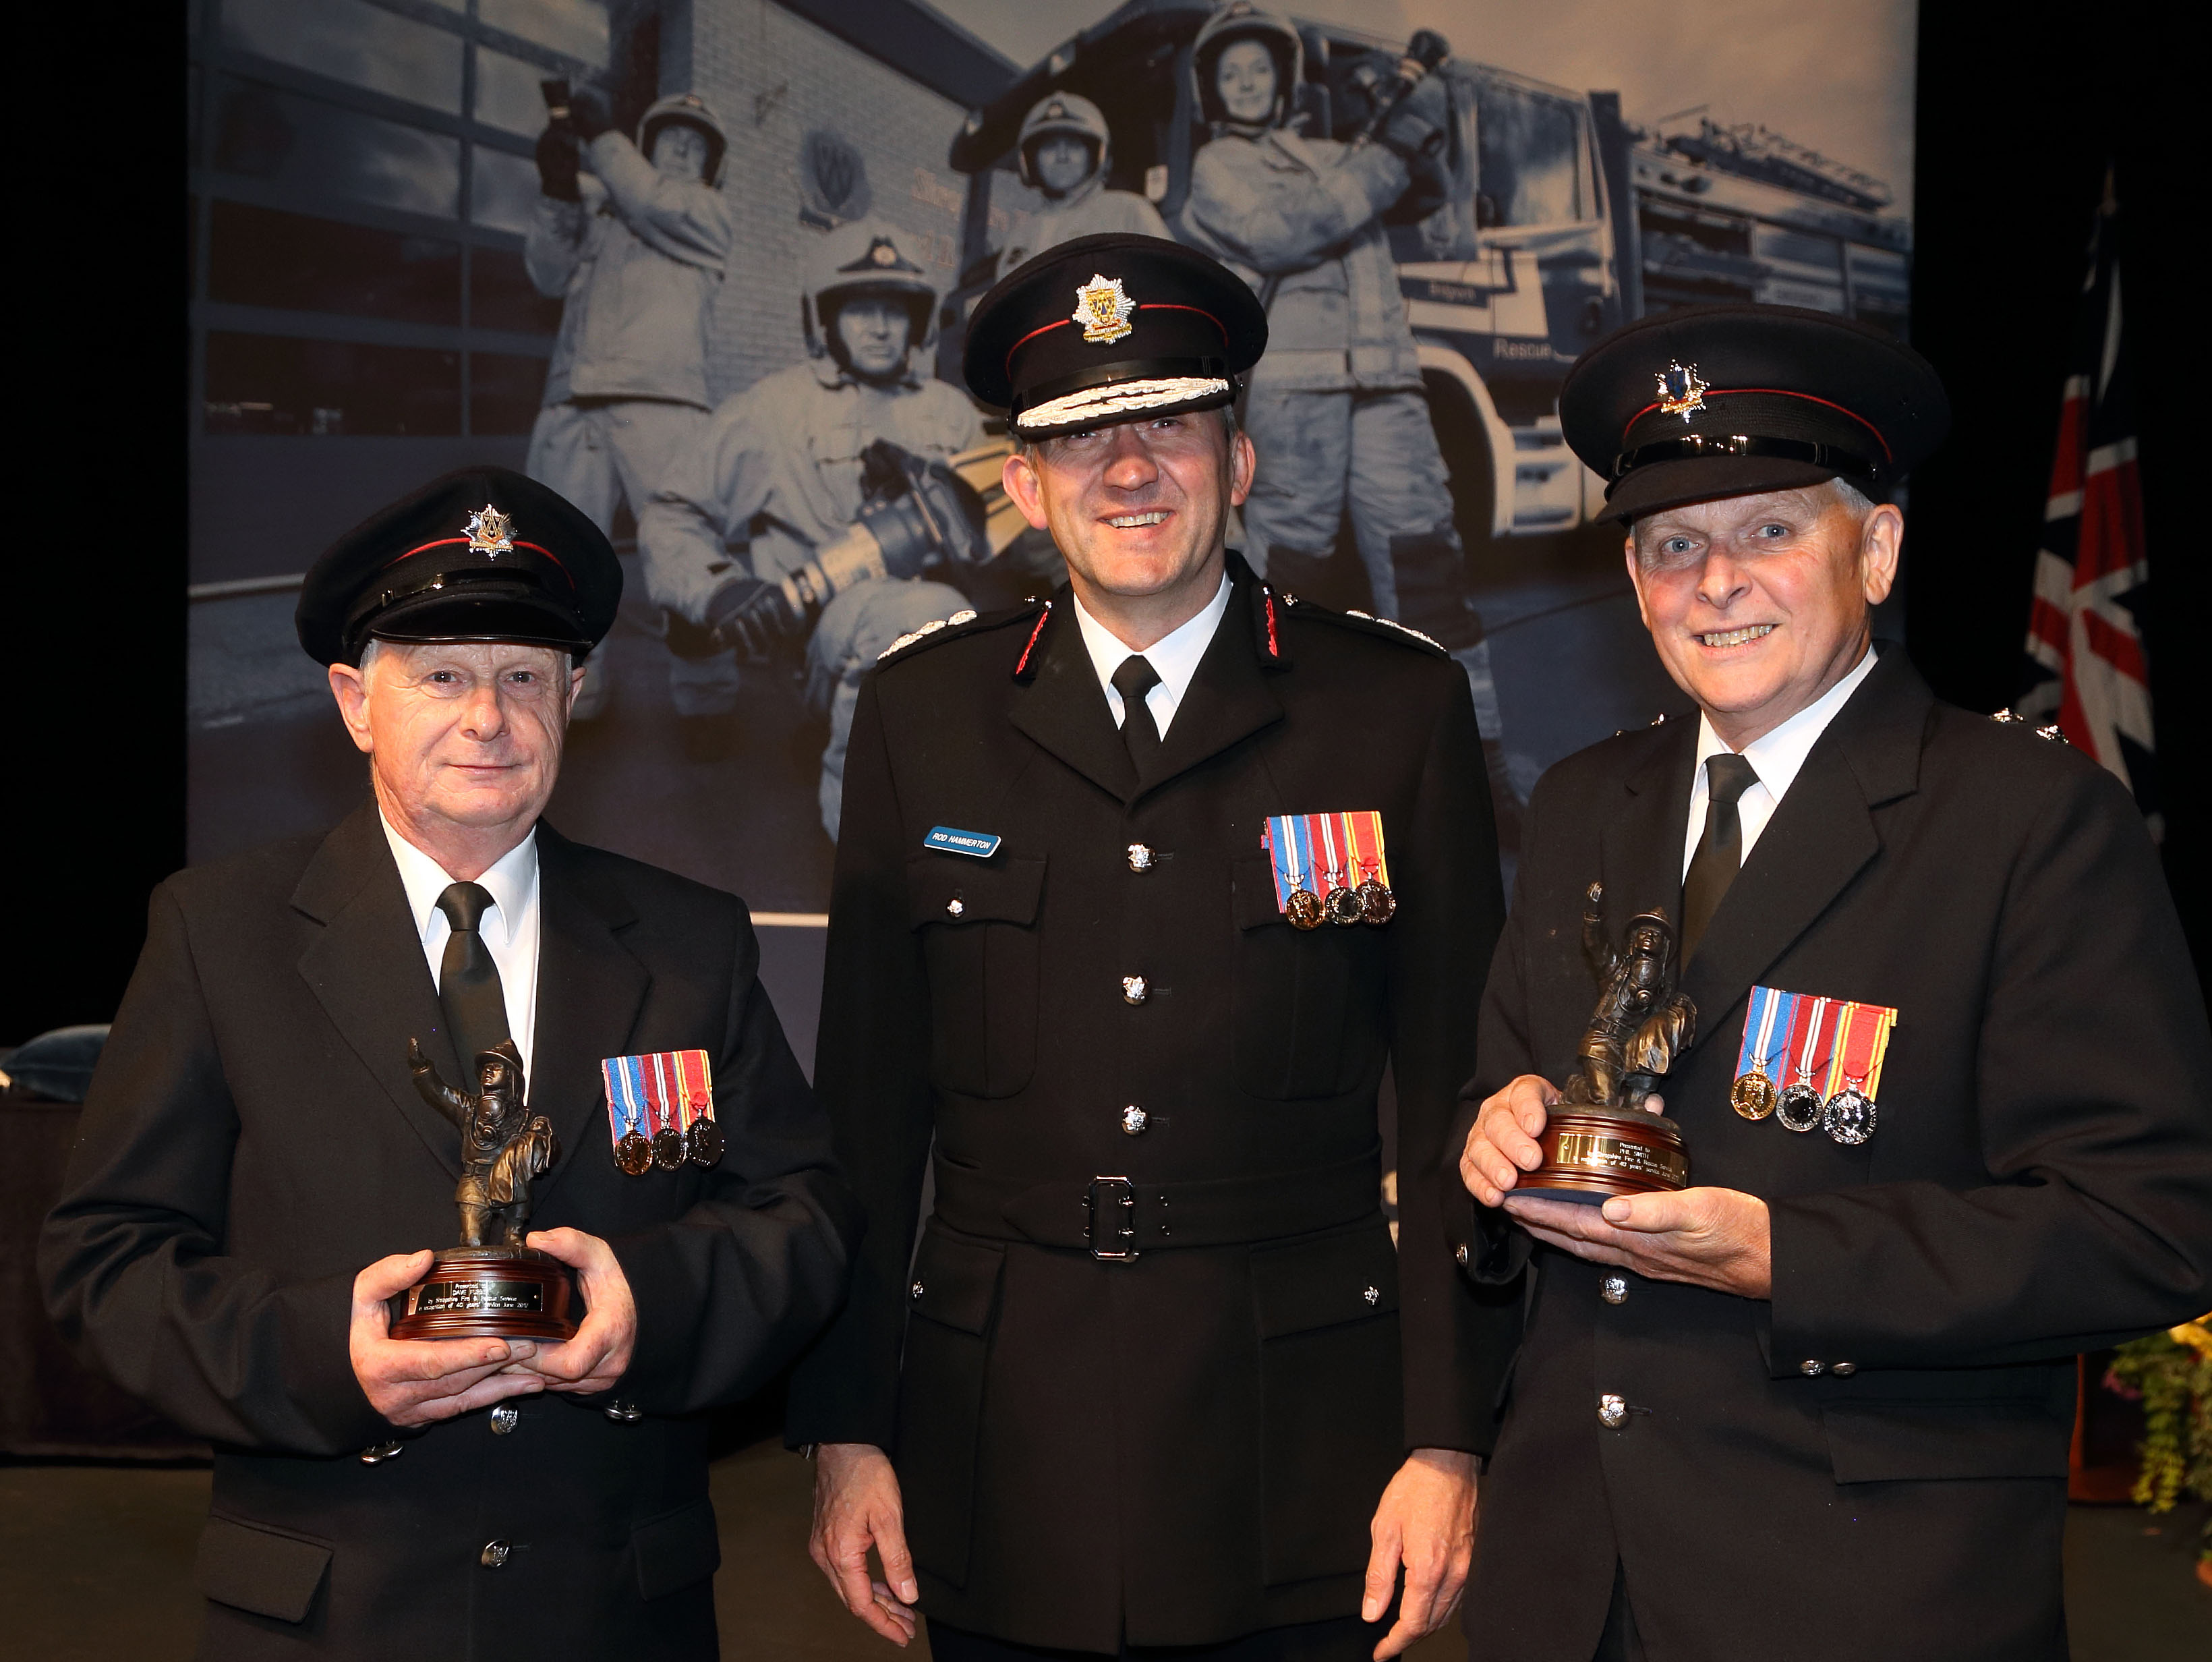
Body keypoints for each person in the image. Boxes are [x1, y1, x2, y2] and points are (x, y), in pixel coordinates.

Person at [787, 232, 1512, 1662]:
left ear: (1237, 463)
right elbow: (865, 1118)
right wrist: (843, 1427)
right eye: (1081, 439)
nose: (1131, 470)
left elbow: (1447, 1108)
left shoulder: (1392, 708)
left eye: (1171, 424)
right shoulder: (921, 716)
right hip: (998, 1444)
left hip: (1300, 1444)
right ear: (1021, 487)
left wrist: (1447, 1434)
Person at [1451, 304, 2212, 1661]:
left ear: (1873, 548)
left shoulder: (2024, 822)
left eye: (1766, 529)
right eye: (1671, 543)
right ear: (1632, 583)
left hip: (1856, 1589)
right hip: (1569, 1578)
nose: (1714, 579)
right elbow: (1511, 1081)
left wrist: (1785, 1256)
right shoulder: (1581, 804)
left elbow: (2146, 1222)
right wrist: (1496, 1132)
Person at [40, 467, 859, 1660]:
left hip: (615, 1608)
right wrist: (326, 1352)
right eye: (442, 674)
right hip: (329, 1612)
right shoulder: (222, 933)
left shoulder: (690, 939)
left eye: (524, 675)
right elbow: (103, 1257)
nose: (489, 716)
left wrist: (650, 1303)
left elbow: (805, 1213)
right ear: (353, 702)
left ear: (574, 696)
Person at [1171, 7, 1488, 706]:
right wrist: (1392, 148)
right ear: (1211, 90)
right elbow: (1286, 231)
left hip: (1388, 383)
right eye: (1232, 73)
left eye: (1260, 68)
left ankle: (1478, 767)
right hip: (1296, 395)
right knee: (1292, 572)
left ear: (1285, 80)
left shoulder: (1335, 152)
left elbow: (1426, 192)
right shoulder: (1218, 165)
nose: (1247, 83)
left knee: (1427, 567)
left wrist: (1422, 119)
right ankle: (1277, 740)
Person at [639, 219, 984, 834]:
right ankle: (865, 850)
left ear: (919, 321)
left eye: (896, 310)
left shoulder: (950, 413)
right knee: (921, 617)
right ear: (824, 321)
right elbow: (673, 512)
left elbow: (1016, 539)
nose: (880, 327)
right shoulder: (775, 410)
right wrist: (720, 589)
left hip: (946, 630)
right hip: (815, 633)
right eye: (860, 309)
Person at [526, 87, 733, 733]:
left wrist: (607, 141)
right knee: (561, 568)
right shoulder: (600, 201)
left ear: (710, 163)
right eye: (670, 134)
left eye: (696, 142)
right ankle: (581, 706)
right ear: (646, 144)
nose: (681, 146)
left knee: (685, 559)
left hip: (663, 406)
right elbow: (545, 274)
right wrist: (558, 191)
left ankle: (707, 703)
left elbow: (653, 201)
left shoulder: (705, 212)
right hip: (573, 405)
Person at [996, 92, 1170, 276]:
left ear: (1097, 155)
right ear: (1030, 161)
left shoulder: (1128, 211)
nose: (1062, 156)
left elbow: (1172, 280)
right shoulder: (1019, 237)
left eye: (1073, 145)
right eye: (1050, 146)